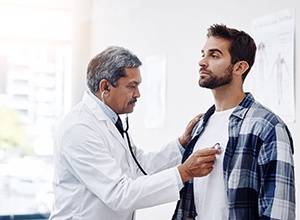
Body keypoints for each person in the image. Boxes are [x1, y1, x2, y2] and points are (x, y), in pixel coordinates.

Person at [49, 46, 220, 220]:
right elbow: (119, 193)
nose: (138, 94)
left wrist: (181, 145)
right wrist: (184, 172)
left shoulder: (112, 121)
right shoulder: (79, 128)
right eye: (132, 86)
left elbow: (139, 167)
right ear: (105, 87)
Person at [172, 24, 295, 220]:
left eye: (214, 55)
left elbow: (278, 210)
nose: (202, 62)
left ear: (240, 67)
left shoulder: (267, 126)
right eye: (203, 54)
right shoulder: (199, 127)